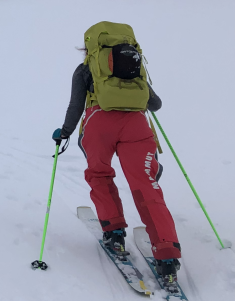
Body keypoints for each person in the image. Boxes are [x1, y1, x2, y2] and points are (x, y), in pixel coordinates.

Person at [54, 22, 181, 286]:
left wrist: (64, 132)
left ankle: (113, 233)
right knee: (146, 186)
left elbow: (76, 105)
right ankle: (167, 254)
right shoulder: (135, 67)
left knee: (99, 174)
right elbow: (154, 104)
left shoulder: (86, 69)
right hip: (136, 125)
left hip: (98, 124)